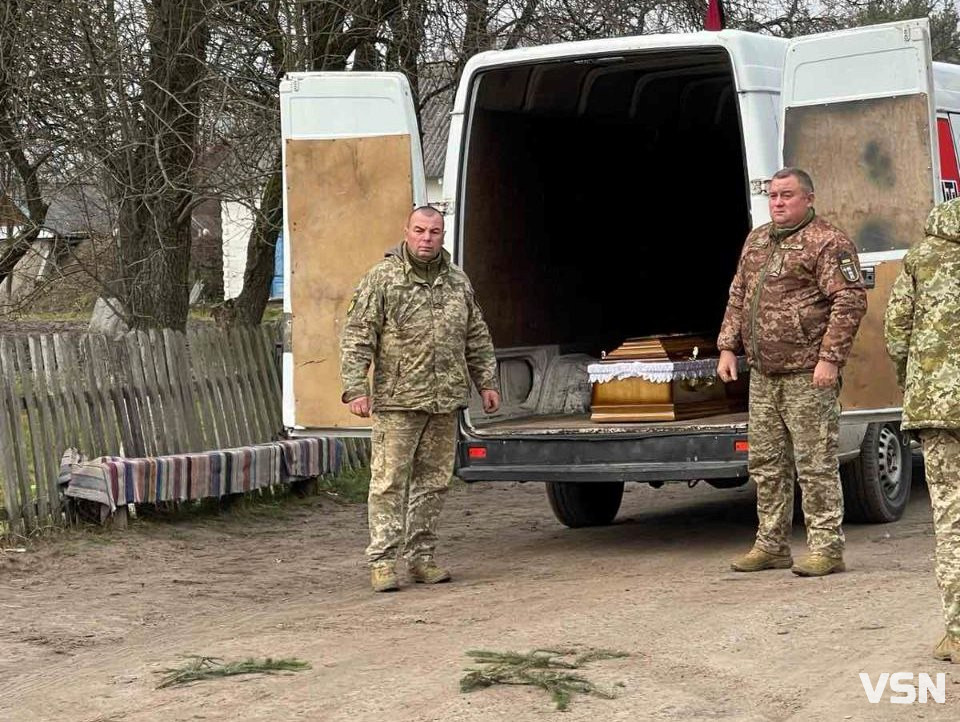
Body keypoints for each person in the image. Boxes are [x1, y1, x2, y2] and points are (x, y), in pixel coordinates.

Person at [340, 206, 501, 592]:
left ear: (442, 235)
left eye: (434, 231)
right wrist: (355, 388)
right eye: (420, 230)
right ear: (407, 232)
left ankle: (421, 558)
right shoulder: (383, 279)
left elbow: (475, 335)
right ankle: (382, 562)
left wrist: (487, 382)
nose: (427, 238)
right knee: (388, 482)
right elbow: (358, 334)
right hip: (398, 400)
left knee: (433, 483)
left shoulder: (457, 282)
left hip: (444, 400)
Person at [716, 167, 867, 577]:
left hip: (807, 373)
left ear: (809, 199)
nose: (778, 202)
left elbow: (849, 302)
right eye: (773, 195)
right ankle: (771, 544)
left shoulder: (827, 242)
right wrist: (728, 347)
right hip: (765, 374)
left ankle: (825, 548)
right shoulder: (758, 239)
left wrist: (830, 359)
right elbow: (738, 294)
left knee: (815, 462)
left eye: (787, 195)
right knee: (766, 463)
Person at [884, 197, 960, 663]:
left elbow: (896, 332)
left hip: (936, 409)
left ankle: (957, 633)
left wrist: (914, 380)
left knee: (951, 520)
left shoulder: (921, 257)